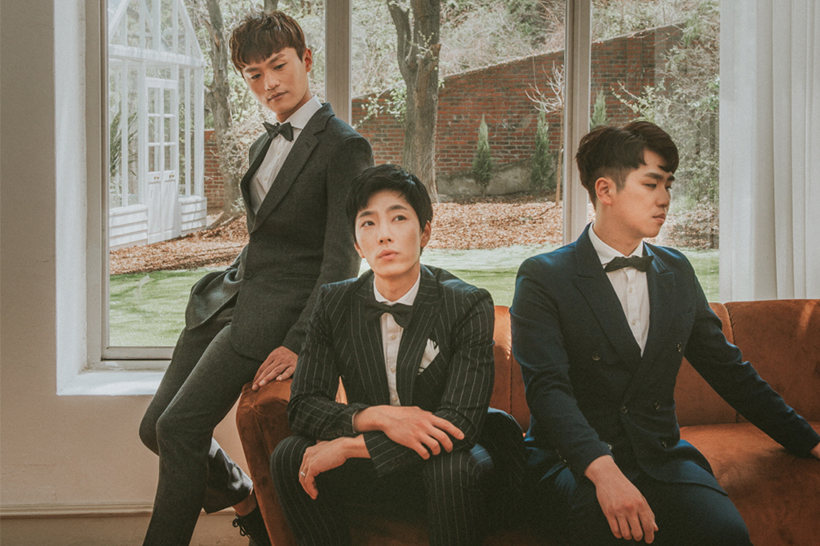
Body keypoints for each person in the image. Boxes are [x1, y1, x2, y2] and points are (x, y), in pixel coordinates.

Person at [510, 121, 820, 545]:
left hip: (661, 458)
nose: (665, 198)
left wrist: (807, 440)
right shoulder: (543, 277)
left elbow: (728, 369)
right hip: (573, 463)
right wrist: (604, 474)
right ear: (605, 190)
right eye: (651, 183)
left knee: (726, 534)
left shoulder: (676, 271)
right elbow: (548, 392)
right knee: (607, 530)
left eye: (668, 185)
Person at [138, 10, 373, 546]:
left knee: (179, 427)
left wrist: (300, 341)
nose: (269, 83)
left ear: (306, 60)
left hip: (275, 315)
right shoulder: (262, 144)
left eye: (279, 66)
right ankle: (248, 501)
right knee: (155, 428)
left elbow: (342, 262)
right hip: (229, 298)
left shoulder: (344, 147)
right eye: (254, 74)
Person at [270, 164, 526, 546]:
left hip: (449, 464)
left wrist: (350, 446)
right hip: (375, 471)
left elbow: (458, 424)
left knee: (451, 467)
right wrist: (378, 417)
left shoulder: (467, 304)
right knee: (290, 455)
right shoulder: (333, 302)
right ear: (357, 244)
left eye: (398, 218)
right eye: (368, 223)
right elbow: (304, 406)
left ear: (425, 232)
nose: (384, 234)